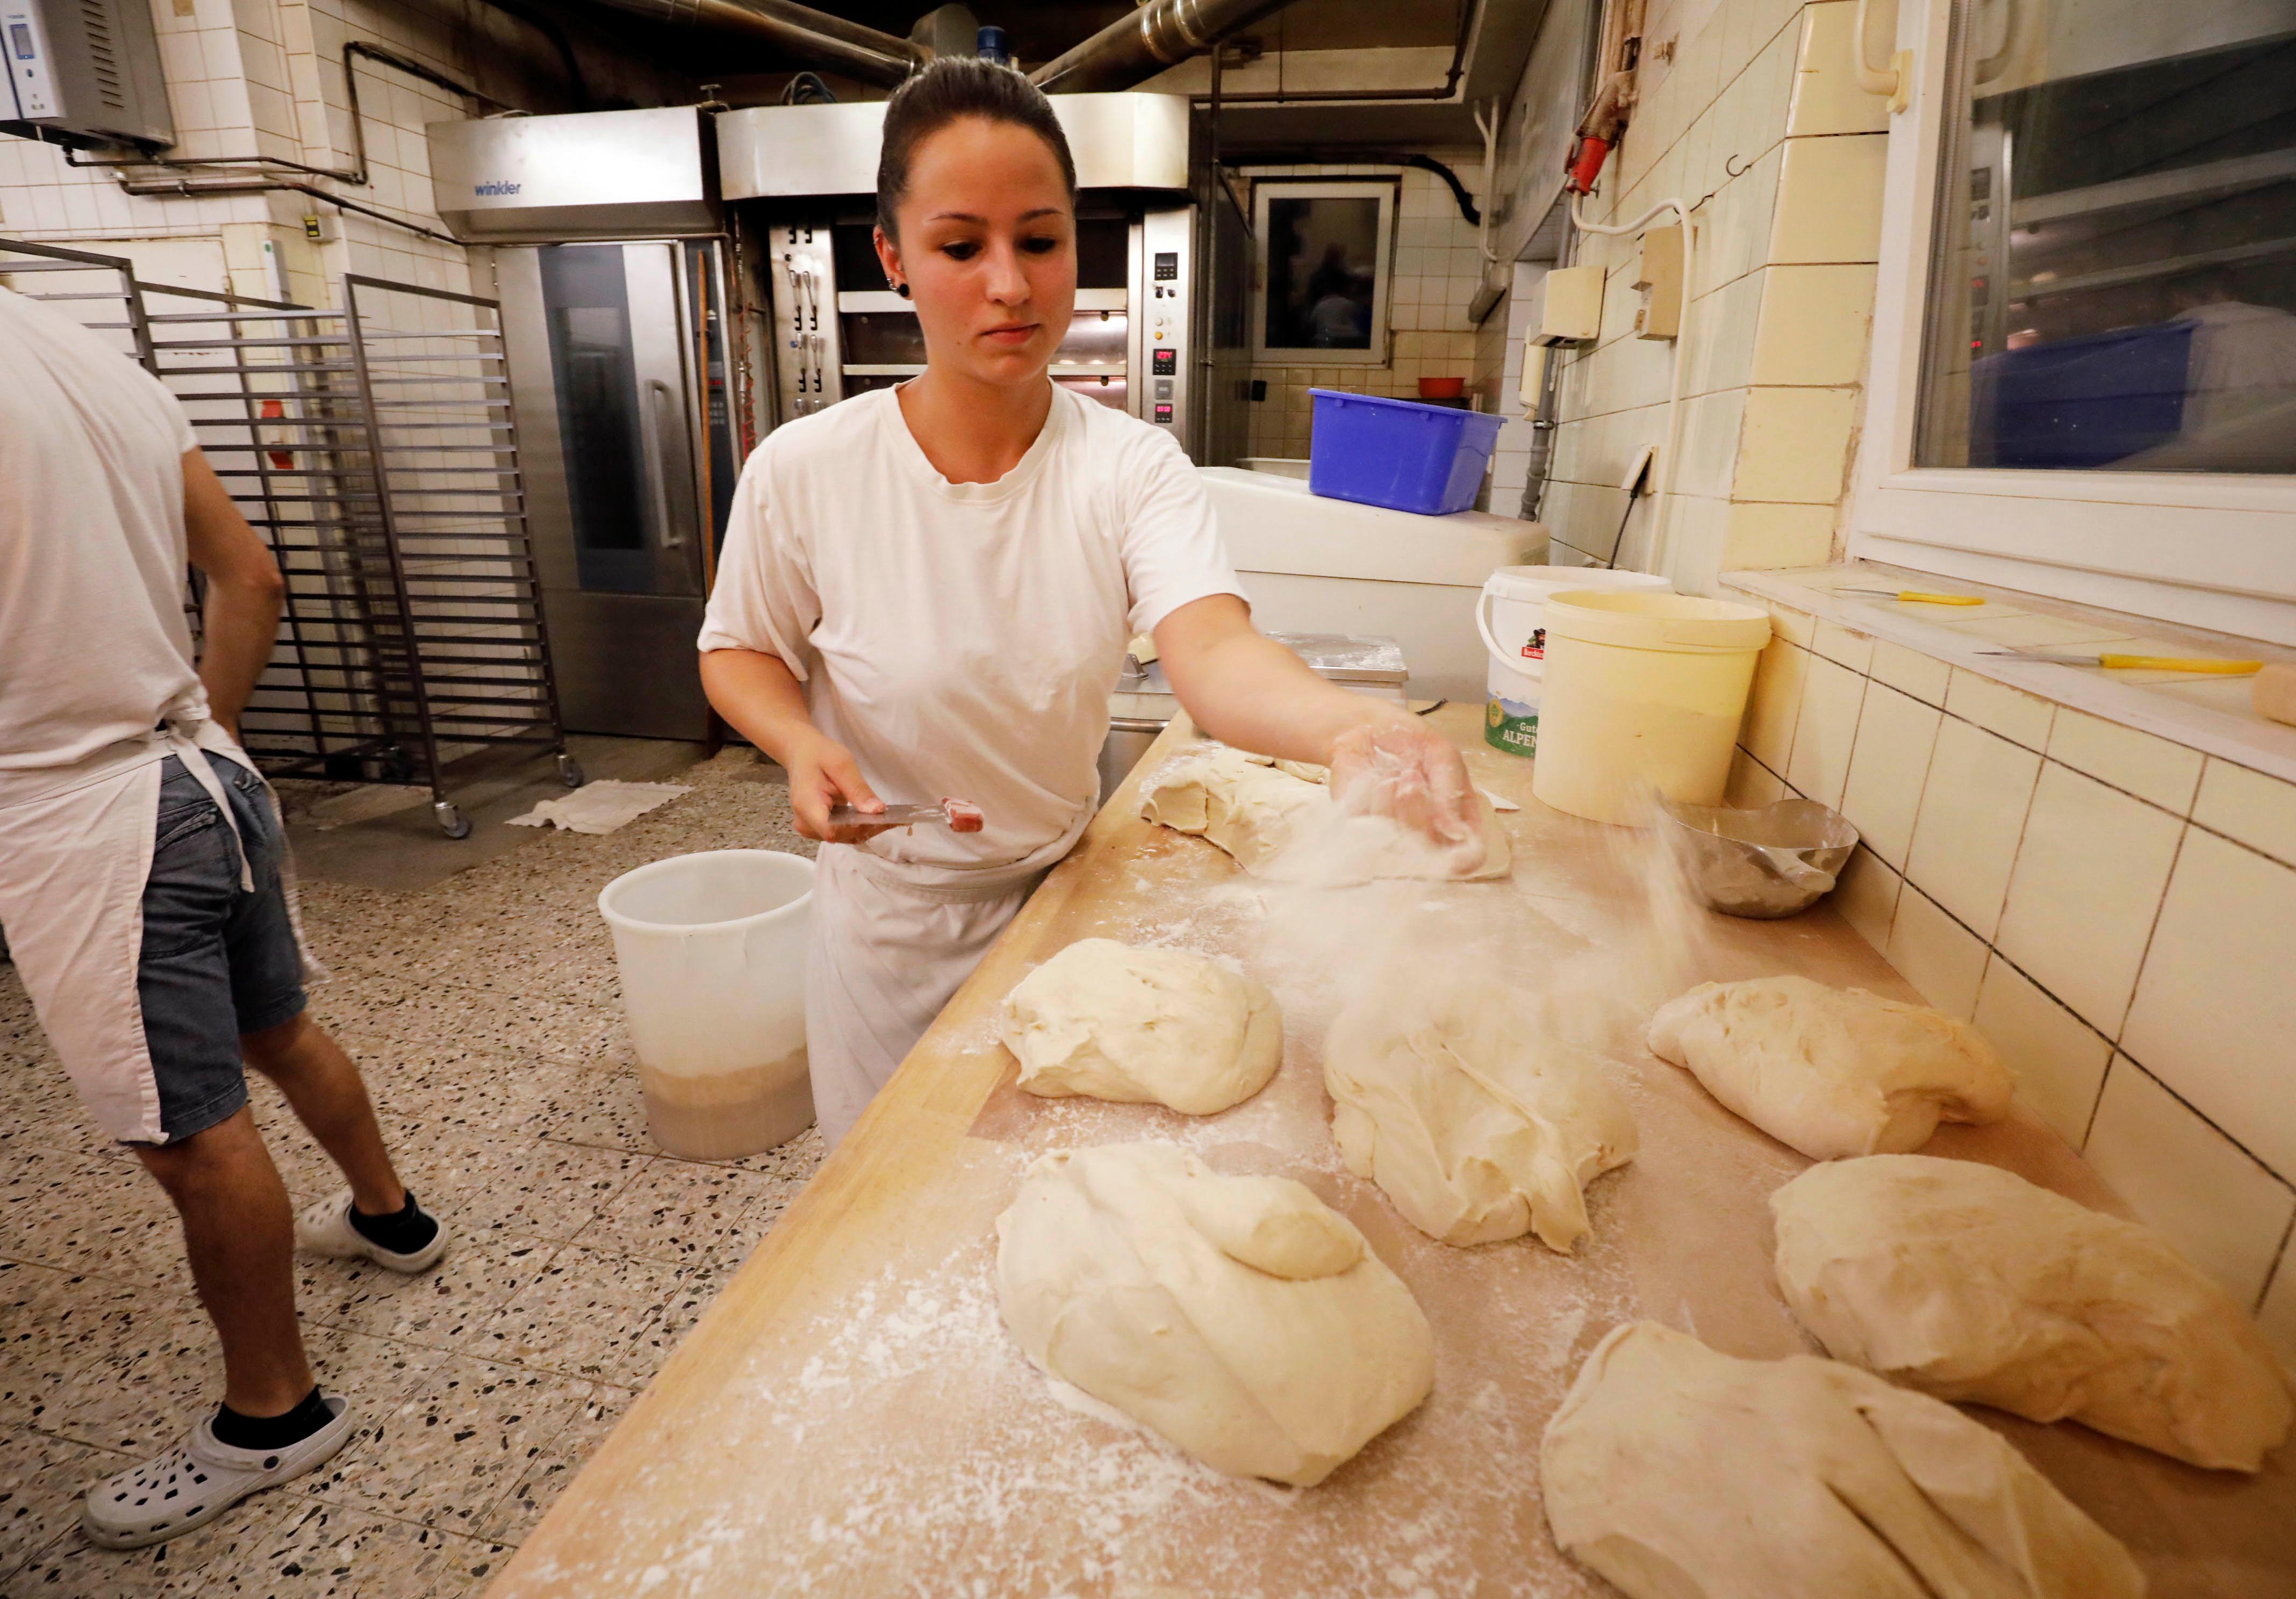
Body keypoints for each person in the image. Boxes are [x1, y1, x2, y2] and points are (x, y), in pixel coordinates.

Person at [699, 59, 1479, 1147]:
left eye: (1041, 239)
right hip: (888, 925)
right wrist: (793, 740)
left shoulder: (1130, 466)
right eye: (962, 247)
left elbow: (1211, 649)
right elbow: (737, 652)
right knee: (896, 1197)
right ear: (894, 257)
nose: (1010, 286)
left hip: (1063, 906)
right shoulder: (808, 471)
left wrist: (1360, 730)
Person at [0, 284, 447, 1550]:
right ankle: (390, 1219)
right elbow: (250, 576)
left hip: (86, 819)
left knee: (195, 1139)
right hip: (206, 773)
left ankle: (274, 1413)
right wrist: (209, 729)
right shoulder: (97, 365)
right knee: (279, 1027)